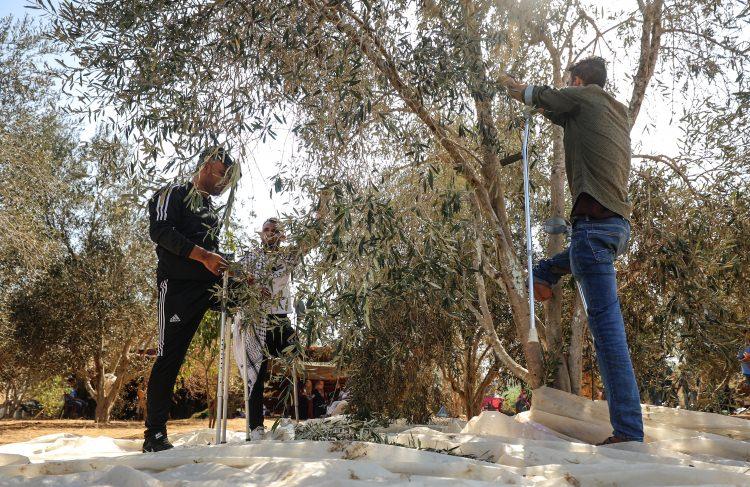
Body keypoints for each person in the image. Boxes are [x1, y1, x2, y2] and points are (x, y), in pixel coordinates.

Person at [499, 57, 644, 444]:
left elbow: (549, 97)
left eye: (570, 82)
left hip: (594, 229)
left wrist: (516, 89)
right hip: (616, 229)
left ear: (578, 81)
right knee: (578, 257)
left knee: (609, 337)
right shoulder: (613, 109)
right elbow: (560, 113)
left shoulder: (582, 97)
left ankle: (629, 431)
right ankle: (546, 272)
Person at [142, 147, 237, 452]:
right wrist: (203, 256)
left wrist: (236, 273)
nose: (226, 184)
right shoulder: (174, 193)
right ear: (210, 166)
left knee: (258, 310)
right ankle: (154, 435)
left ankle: (255, 422)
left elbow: (215, 254)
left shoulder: (210, 211)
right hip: (179, 288)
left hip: (210, 286)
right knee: (170, 357)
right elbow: (160, 231)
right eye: (225, 175)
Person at [233, 207, 327, 440]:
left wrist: (320, 215)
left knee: (295, 352)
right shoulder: (250, 257)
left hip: (280, 319)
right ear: (261, 234)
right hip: (256, 320)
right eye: (266, 230)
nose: (270, 233)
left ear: (282, 235)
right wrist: (251, 283)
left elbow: (310, 242)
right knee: (257, 371)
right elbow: (236, 276)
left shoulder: (287, 257)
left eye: (275, 230)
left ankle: (290, 415)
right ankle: (255, 427)